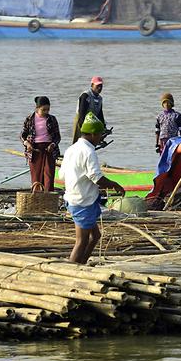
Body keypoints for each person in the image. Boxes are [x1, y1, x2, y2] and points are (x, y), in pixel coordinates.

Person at [59, 112, 125, 264]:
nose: (100, 139)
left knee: (95, 236)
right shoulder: (88, 151)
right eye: (100, 135)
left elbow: (62, 175)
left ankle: (81, 264)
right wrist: (115, 185)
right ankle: (71, 270)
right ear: (94, 134)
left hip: (75, 197)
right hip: (82, 201)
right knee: (81, 241)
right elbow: (96, 178)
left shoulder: (72, 149)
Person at [20, 96, 61, 191]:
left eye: (48, 110)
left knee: (49, 176)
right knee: (36, 177)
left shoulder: (52, 119)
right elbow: (22, 135)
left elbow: (57, 137)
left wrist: (53, 145)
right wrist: (27, 144)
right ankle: (37, 200)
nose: (46, 112)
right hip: (34, 150)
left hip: (49, 149)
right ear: (37, 108)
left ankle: (48, 198)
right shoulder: (30, 119)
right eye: (43, 110)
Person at [72, 76, 106, 143]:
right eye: (97, 86)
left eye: (101, 86)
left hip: (91, 121)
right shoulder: (86, 95)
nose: (99, 88)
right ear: (92, 85)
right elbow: (82, 112)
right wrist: (83, 129)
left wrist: (103, 127)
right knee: (77, 142)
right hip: (80, 121)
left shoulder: (100, 99)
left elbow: (100, 114)